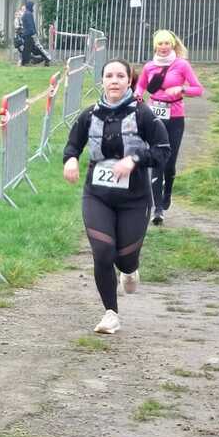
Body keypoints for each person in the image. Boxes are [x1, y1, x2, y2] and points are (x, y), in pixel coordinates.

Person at [62, 57, 170, 334]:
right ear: (102, 81)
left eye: (120, 76)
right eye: (109, 76)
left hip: (135, 199)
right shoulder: (90, 115)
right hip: (97, 195)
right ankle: (111, 313)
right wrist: (71, 160)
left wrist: (134, 159)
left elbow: (162, 151)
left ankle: (130, 269)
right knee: (102, 252)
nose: (114, 81)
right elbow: (72, 145)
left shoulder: (143, 114)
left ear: (129, 81)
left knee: (124, 258)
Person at [134, 29, 203, 225]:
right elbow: (141, 86)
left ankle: (168, 191)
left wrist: (181, 88)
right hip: (154, 116)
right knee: (158, 159)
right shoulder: (149, 67)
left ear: (172, 45)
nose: (163, 47)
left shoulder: (182, 65)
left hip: (175, 117)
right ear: (155, 46)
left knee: (170, 163)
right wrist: (138, 96)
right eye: (160, 43)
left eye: (166, 43)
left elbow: (198, 89)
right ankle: (157, 209)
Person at [20, 0, 51, 66]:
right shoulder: (28, 14)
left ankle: (25, 62)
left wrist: (30, 34)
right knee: (33, 49)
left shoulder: (27, 14)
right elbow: (29, 25)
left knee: (28, 49)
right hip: (29, 34)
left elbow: (30, 25)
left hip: (29, 35)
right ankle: (44, 59)